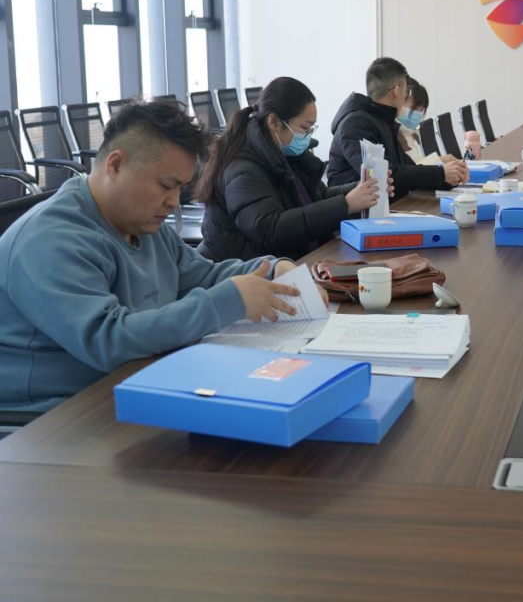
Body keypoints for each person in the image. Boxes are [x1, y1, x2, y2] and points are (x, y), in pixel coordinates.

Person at [0, 100, 316, 411]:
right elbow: (109, 340)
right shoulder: (52, 240)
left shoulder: (139, 221)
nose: (174, 202)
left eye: (181, 189)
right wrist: (224, 302)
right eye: (166, 186)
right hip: (57, 415)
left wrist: (272, 271)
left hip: (135, 380)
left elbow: (202, 276)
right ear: (115, 165)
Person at [196, 76, 390, 262]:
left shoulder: (285, 154)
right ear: (274, 122)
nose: (307, 136)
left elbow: (318, 197)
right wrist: (346, 204)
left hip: (289, 261)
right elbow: (271, 230)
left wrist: (363, 190)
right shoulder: (242, 169)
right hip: (249, 271)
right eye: (304, 128)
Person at [326, 57, 468, 200]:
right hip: (360, 211)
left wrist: (448, 178)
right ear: (397, 90)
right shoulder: (356, 123)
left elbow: (408, 168)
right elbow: (383, 174)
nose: (405, 95)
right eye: (407, 91)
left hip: (387, 204)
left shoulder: (382, 121)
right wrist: (440, 174)